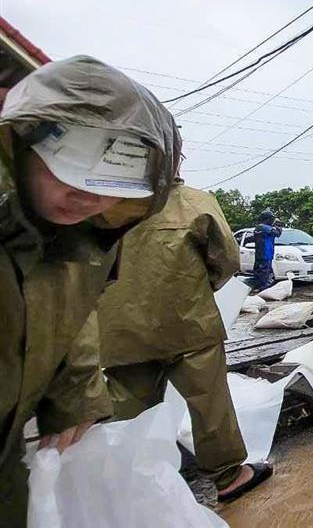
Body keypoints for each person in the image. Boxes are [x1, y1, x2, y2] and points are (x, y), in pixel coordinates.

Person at [0, 56, 180, 524]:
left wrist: (75, 389)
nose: (87, 195)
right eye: (70, 164)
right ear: (24, 140)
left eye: (112, 177)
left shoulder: (87, 240)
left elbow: (71, 315)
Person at [98, 173, 272, 504]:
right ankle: (228, 476)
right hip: (188, 320)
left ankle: (119, 486)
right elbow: (227, 260)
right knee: (208, 402)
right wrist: (197, 287)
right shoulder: (194, 202)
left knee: (126, 409)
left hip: (122, 328)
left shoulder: (107, 203)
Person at [253, 209, 282, 290]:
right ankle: (262, 288)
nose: (272, 221)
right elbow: (278, 234)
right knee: (264, 272)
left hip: (261, 254)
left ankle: (259, 287)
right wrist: (278, 225)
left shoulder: (259, 227)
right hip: (265, 254)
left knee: (262, 272)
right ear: (267, 219)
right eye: (271, 219)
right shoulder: (263, 227)